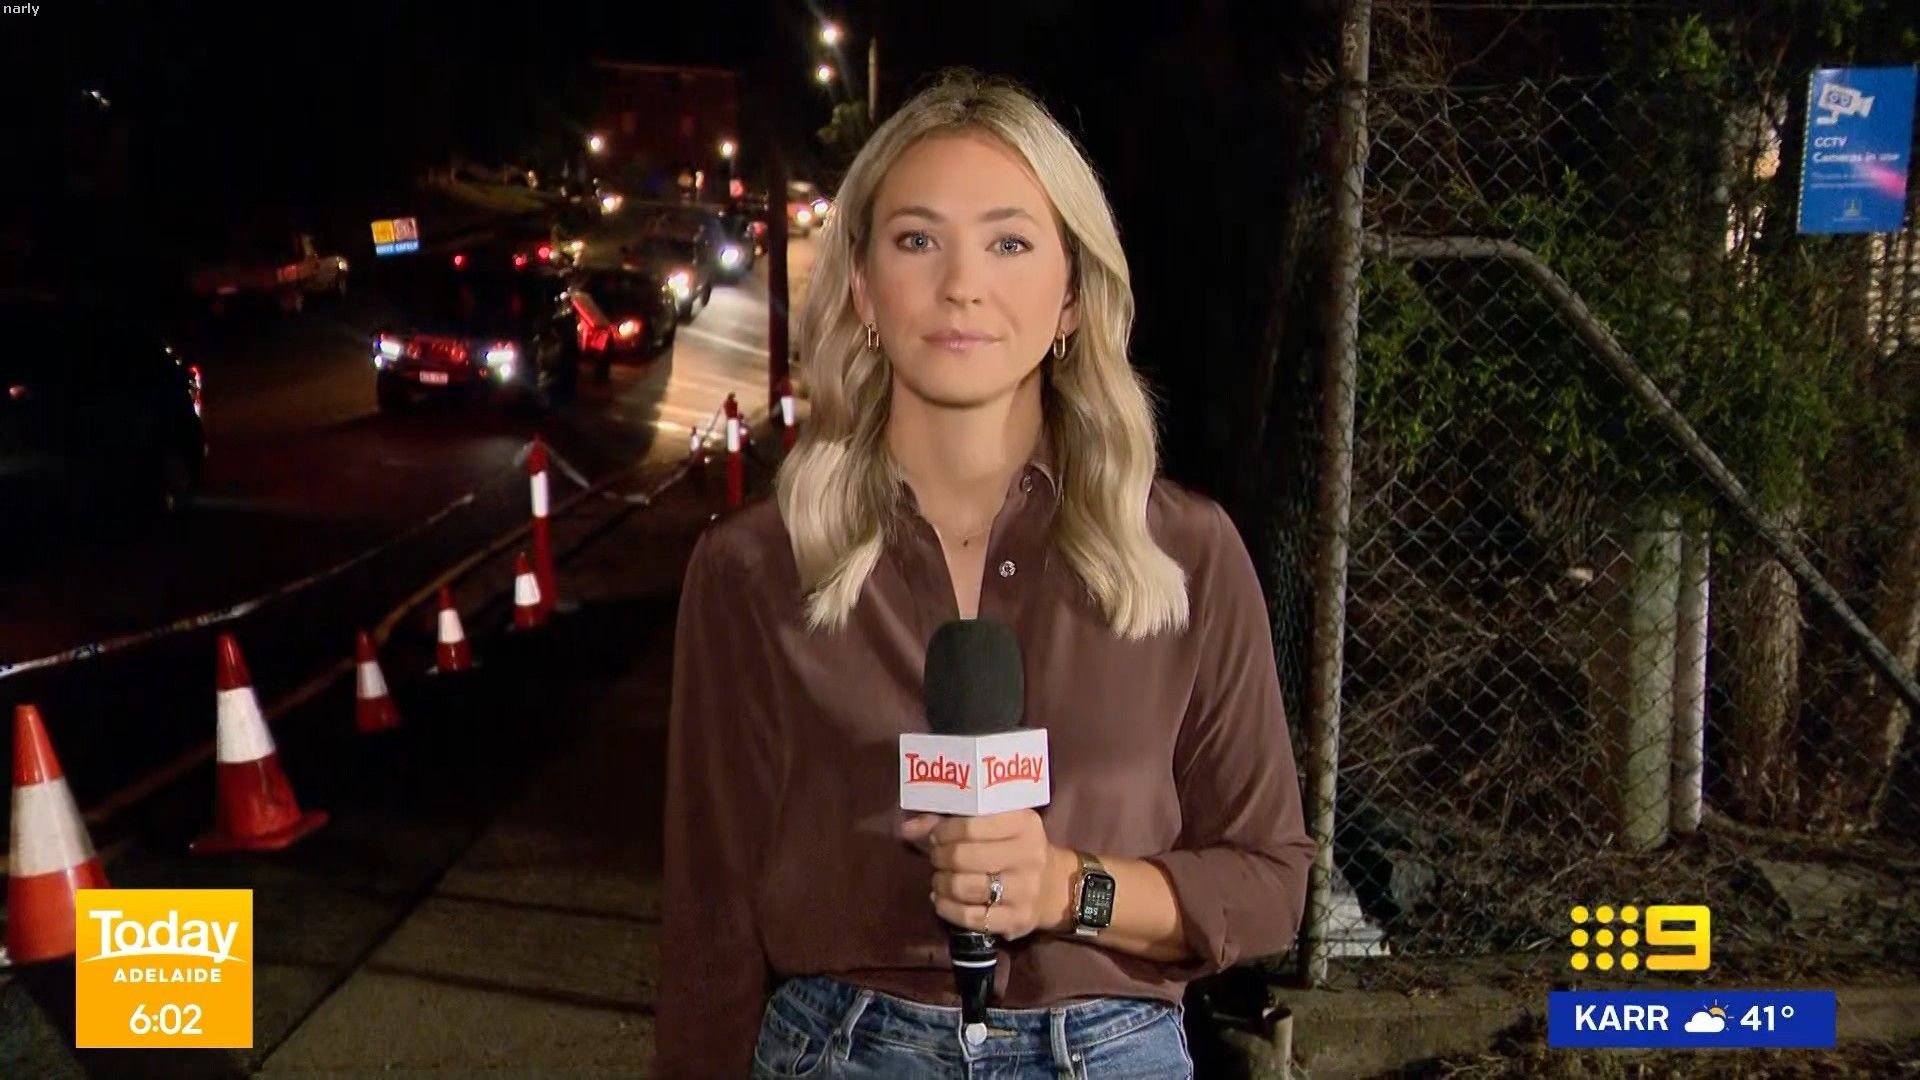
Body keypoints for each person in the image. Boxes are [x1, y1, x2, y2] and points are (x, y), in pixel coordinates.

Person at [660, 70, 1314, 1078]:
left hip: (1111, 1050)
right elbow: (709, 921)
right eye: (917, 240)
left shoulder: (1185, 555)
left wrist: (1068, 888)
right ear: (862, 288)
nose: (962, 284)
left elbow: (1269, 882)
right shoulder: (752, 568)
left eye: (1009, 243)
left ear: (1072, 295)